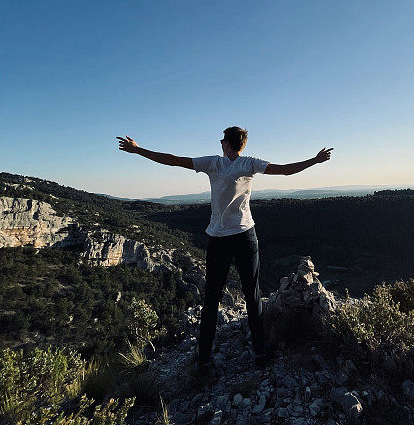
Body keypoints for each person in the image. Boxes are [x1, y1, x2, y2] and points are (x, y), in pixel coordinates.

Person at [116, 126, 332, 377]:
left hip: (219, 239)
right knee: (252, 295)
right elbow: (285, 170)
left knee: (212, 299)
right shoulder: (249, 163)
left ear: (228, 144)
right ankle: (259, 353)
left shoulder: (213, 164)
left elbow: (173, 161)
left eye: (222, 141)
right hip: (245, 236)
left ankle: (205, 361)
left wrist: (138, 150)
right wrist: (314, 161)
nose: (220, 144)